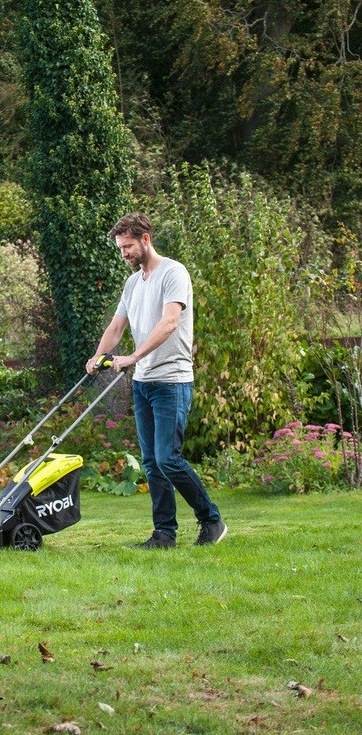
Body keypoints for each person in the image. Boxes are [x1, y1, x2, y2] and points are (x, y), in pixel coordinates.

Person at [86, 212, 227, 548]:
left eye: (128, 246)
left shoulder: (174, 273)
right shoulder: (133, 283)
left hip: (172, 381)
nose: (124, 254)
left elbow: (170, 322)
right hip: (144, 383)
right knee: (151, 463)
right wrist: (97, 357)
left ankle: (212, 520)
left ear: (145, 239)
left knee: (168, 459)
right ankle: (164, 534)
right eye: (120, 248)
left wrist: (133, 356)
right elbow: (116, 326)